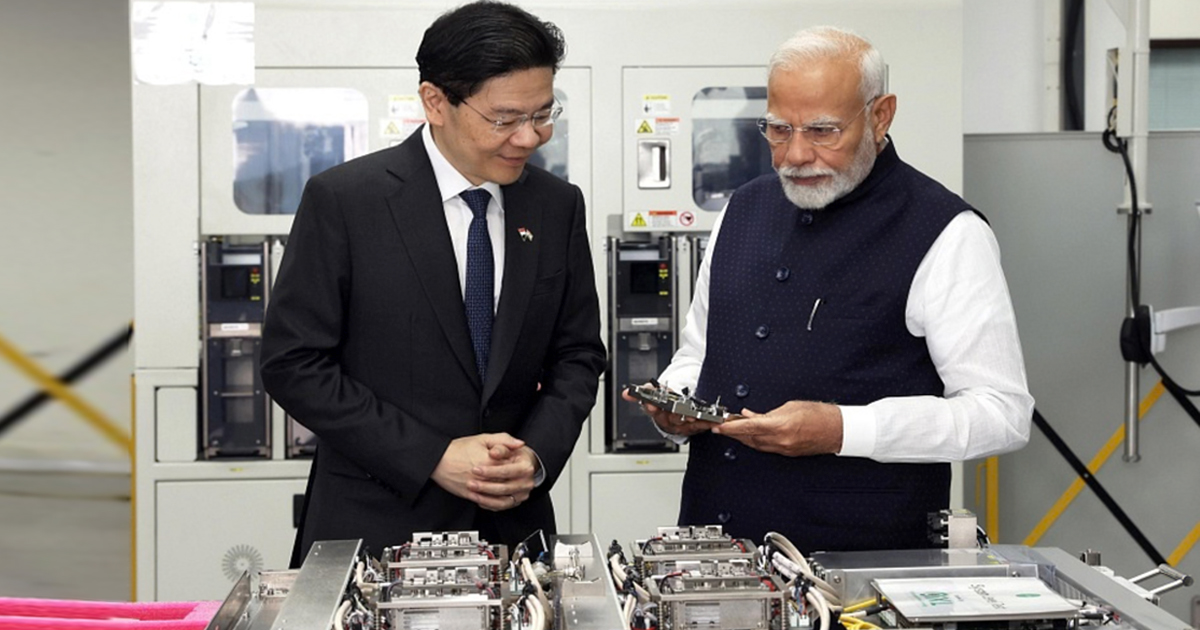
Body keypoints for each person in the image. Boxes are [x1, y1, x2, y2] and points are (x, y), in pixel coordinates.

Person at [625, 26, 1033, 552]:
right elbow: (700, 350)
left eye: (822, 131)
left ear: (880, 116)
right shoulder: (740, 210)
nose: (794, 154)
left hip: (861, 568)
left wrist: (845, 429)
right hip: (712, 554)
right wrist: (677, 404)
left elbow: (1002, 413)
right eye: (777, 129)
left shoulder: (946, 232)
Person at [261, 0, 605, 565]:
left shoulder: (555, 205)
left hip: (512, 532)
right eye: (505, 118)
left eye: (543, 114)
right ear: (435, 101)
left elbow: (578, 354)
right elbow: (293, 364)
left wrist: (536, 457)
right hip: (375, 526)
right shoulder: (347, 200)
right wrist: (430, 456)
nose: (530, 137)